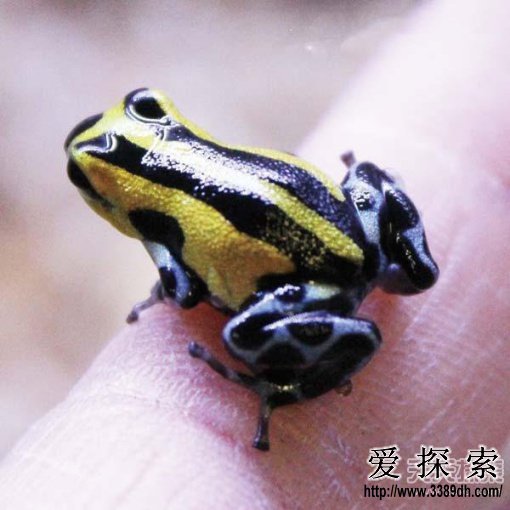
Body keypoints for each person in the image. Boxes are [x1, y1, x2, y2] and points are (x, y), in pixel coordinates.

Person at [0, 0, 508, 507]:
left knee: (242, 335)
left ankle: (291, 385)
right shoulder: (180, 165)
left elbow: (183, 292)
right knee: (365, 176)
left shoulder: (156, 225)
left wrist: (165, 274)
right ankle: (412, 267)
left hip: (318, 286)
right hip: (355, 234)